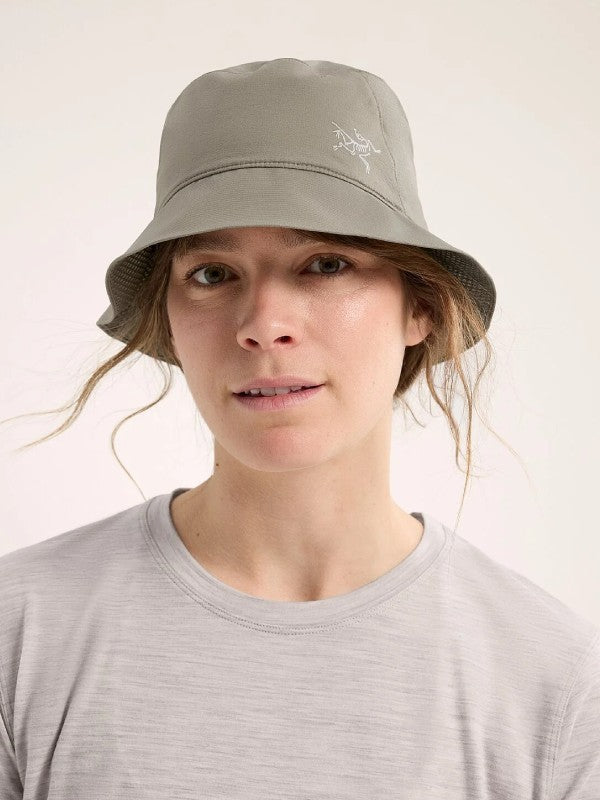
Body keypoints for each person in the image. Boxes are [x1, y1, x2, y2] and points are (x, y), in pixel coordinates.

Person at [1, 58, 598, 799]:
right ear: (169, 318)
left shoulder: (553, 682)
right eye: (212, 273)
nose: (263, 325)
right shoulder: (21, 634)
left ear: (420, 306)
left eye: (325, 263)